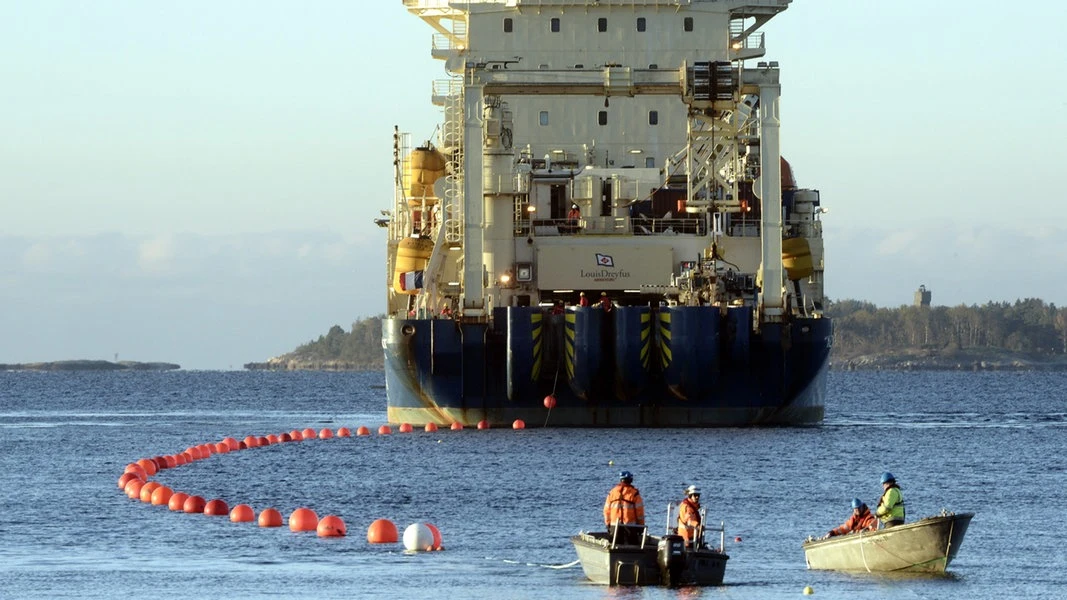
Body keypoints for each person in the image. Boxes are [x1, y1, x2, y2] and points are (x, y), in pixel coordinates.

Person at [604, 471, 645, 543]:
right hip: (631, 526)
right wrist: (641, 526)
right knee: (633, 546)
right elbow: (640, 512)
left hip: (614, 525)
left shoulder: (612, 492)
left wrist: (608, 524)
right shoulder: (634, 494)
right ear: (630, 480)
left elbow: (606, 510)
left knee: (615, 545)